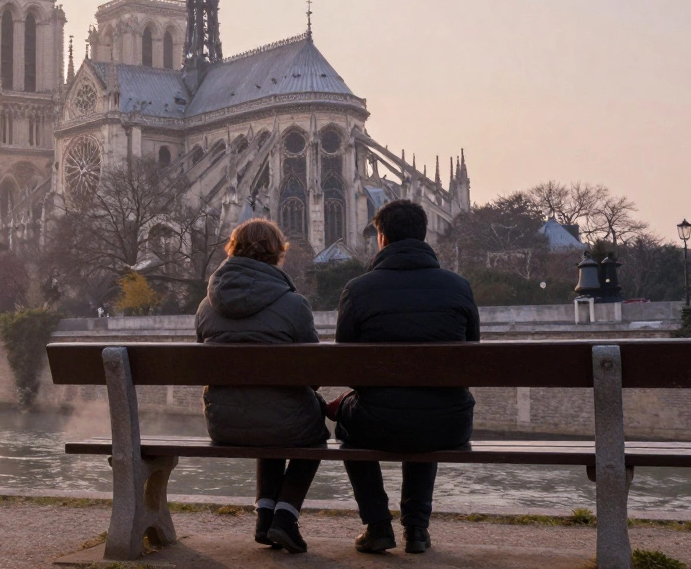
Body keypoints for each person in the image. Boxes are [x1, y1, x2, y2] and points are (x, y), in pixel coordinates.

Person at [333, 200, 479, 554]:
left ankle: (378, 525)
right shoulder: (458, 286)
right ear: (424, 234)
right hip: (449, 423)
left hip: (377, 420)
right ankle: (416, 529)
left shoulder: (358, 289)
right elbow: (472, 351)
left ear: (380, 237)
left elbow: (344, 363)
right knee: (427, 407)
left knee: (349, 428)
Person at [196, 218, 328, 554]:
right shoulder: (294, 305)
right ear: (278, 255)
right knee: (310, 431)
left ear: (233, 249)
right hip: (283, 424)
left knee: (271, 416)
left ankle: (264, 515)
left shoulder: (206, 307)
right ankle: (284, 516)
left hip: (223, 425)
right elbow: (314, 375)